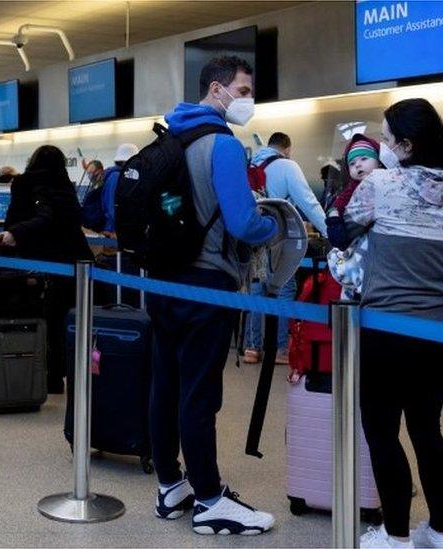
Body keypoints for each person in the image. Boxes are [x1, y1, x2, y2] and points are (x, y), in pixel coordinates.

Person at [343, 99, 443, 549]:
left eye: (386, 138)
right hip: (441, 336)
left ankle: (396, 536)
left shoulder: (381, 184)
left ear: (405, 144)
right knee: (427, 428)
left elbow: (345, 230)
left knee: (382, 431)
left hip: (386, 329)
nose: (382, 146)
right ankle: (441, 532)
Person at [148, 55, 278, 535]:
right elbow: (243, 222)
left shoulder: (170, 137)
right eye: (244, 90)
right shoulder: (222, 144)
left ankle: (170, 487)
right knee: (200, 393)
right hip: (206, 283)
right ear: (218, 89)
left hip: (161, 282)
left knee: (165, 386)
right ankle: (208, 500)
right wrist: (274, 226)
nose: (248, 100)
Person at [0, 145, 93, 394]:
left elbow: (16, 219)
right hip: (74, 263)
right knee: (67, 320)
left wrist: (12, 234)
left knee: (43, 320)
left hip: (40, 262)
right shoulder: (66, 183)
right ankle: (67, 374)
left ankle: (47, 377)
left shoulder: (23, 182)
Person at [242, 132, 329, 365]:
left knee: (256, 291)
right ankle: (280, 349)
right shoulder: (287, 166)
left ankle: (252, 348)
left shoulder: (251, 163)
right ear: (287, 148)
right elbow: (308, 201)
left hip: (252, 237)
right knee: (284, 289)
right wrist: (331, 231)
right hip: (277, 238)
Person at [325, 134, 384, 301]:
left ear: (379, 161)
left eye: (364, 158)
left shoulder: (387, 183)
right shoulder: (350, 191)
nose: (358, 165)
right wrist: (334, 216)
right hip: (358, 257)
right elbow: (336, 210)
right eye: (352, 163)